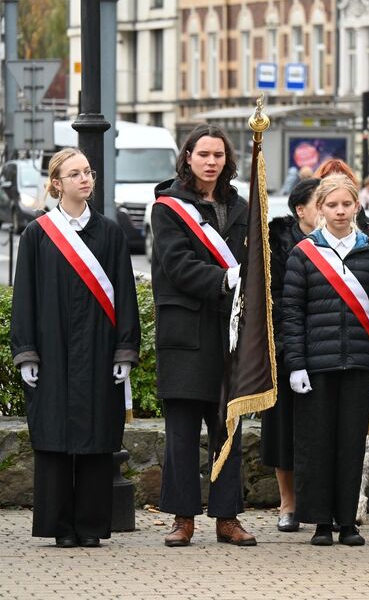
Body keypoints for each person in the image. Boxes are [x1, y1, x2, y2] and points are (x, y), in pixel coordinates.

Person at [11, 148, 140, 548]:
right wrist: (26, 352)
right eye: (75, 174)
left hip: (100, 350)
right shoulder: (37, 234)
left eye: (88, 172)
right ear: (57, 184)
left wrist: (124, 351)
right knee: (53, 437)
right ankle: (59, 526)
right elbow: (25, 298)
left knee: (97, 436)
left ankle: (90, 526)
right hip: (51, 352)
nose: (85, 179)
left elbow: (125, 296)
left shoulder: (111, 232)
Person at [152, 124, 256, 547]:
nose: (211, 162)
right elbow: (176, 266)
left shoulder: (243, 206)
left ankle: (227, 517)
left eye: (218, 155)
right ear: (188, 157)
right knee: (181, 432)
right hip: (186, 333)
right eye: (204, 154)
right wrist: (228, 278)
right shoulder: (168, 208)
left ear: (227, 161)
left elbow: (254, 261)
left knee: (228, 428)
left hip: (229, 333)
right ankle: (182, 518)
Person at [282, 174, 369, 547]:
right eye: (333, 205)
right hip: (316, 365)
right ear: (320, 209)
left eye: (347, 204)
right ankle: (319, 523)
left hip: (359, 364)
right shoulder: (303, 253)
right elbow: (293, 314)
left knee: (350, 445)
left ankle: (348, 522)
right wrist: (295, 364)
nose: (340, 211)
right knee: (316, 445)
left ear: (357, 207)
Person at [260, 177, 321, 533]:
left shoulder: (336, 243)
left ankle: (316, 503)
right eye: (321, 202)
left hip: (324, 349)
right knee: (283, 428)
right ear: (301, 209)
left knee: (318, 431)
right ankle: (288, 502)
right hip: (285, 346)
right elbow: (273, 298)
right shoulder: (277, 243)